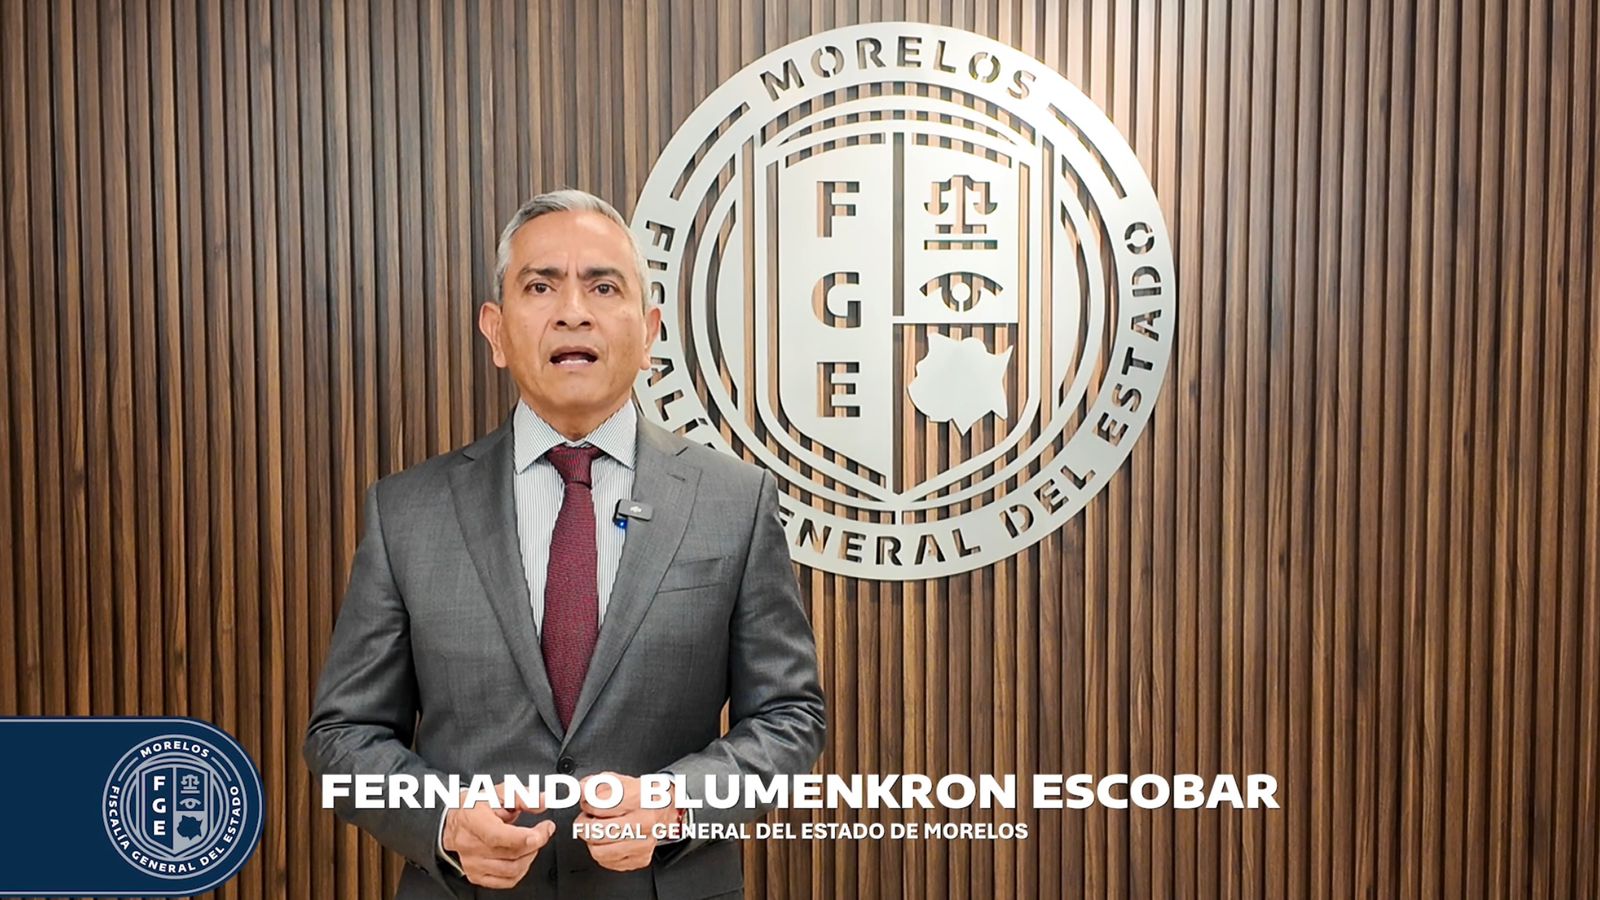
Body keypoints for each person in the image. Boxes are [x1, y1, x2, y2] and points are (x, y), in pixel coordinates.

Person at [304, 189, 827, 899]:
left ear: (649, 332)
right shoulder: (407, 512)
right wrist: (445, 822)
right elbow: (344, 735)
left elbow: (790, 717)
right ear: (495, 332)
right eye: (540, 286)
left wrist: (677, 804)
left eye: (603, 287)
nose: (573, 311)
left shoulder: (734, 501)